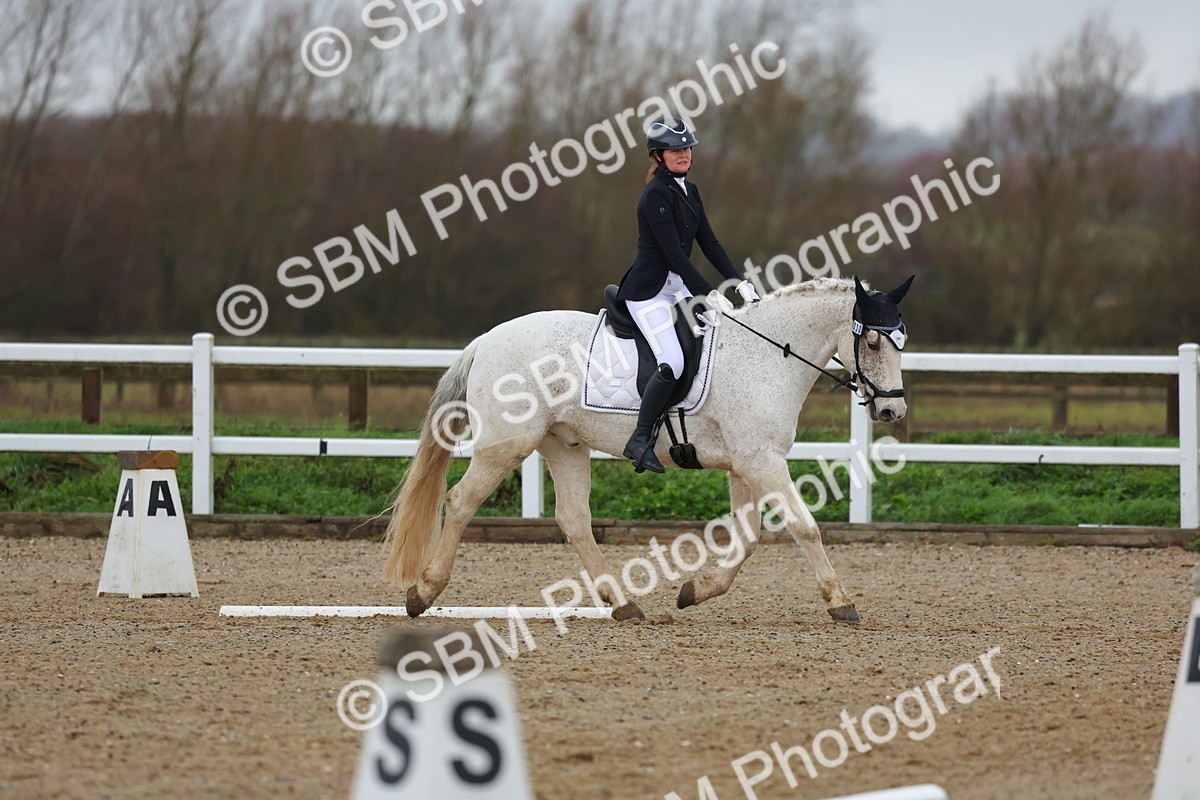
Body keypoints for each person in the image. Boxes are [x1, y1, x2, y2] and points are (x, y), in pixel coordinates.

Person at [616, 116, 760, 473]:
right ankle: (639, 439)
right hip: (648, 292)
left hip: (677, 287)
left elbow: (709, 242)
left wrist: (738, 281)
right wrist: (708, 291)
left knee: (720, 339)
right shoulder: (655, 195)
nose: (683, 154)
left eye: (687, 149)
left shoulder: (690, 191)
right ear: (658, 155)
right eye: (674, 150)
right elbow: (673, 254)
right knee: (673, 362)